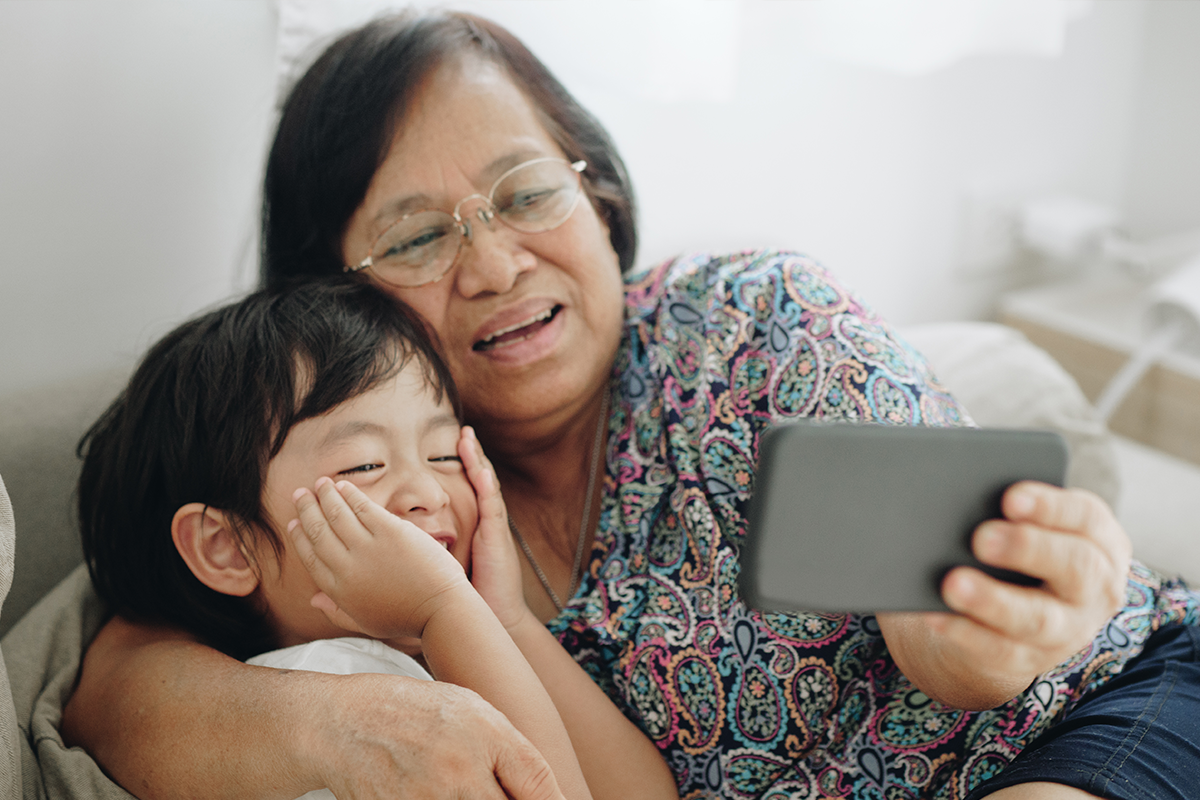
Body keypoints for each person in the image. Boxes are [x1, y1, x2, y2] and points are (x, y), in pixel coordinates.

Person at [62, 10, 1200, 800]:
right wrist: (344, 727)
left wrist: (988, 624)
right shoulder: (381, 494)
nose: (498, 264)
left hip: (1082, 719)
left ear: (598, 198)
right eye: (416, 234)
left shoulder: (754, 322)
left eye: (527, 191)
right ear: (329, 293)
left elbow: (952, 621)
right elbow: (115, 678)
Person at [74, 279, 677, 800]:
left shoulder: (439, 659)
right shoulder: (340, 680)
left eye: (444, 453)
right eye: (363, 465)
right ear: (227, 548)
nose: (426, 491)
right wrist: (447, 609)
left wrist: (506, 619)